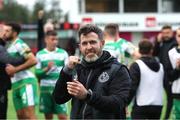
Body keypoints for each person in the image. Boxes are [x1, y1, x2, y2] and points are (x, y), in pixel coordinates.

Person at [53, 24, 131, 119]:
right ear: (80, 46)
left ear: (102, 43)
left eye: (93, 42)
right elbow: (59, 98)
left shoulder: (117, 70)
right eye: (84, 43)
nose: (89, 47)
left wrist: (88, 96)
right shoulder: (77, 68)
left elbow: (118, 103)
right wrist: (66, 70)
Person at [3, 22, 38, 119]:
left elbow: (33, 60)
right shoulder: (9, 46)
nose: (4, 33)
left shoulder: (19, 43)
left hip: (26, 82)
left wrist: (15, 70)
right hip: (15, 85)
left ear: (14, 33)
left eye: (7, 31)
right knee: (21, 116)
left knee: (30, 115)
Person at [35, 30, 68, 120]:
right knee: (48, 116)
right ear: (46, 39)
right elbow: (37, 74)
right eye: (52, 39)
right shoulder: (40, 54)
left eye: (56, 39)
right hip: (45, 89)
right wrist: (47, 69)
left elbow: (69, 71)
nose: (55, 42)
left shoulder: (63, 53)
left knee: (63, 116)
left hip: (59, 88)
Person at [128, 40, 164, 119]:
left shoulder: (136, 65)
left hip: (141, 105)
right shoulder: (161, 66)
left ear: (139, 50)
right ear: (151, 50)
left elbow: (132, 87)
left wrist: (126, 103)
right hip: (158, 104)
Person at [0, 25, 25, 119]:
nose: (6, 33)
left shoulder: (4, 46)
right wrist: (24, 57)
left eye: (7, 31)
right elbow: (9, 59)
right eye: (4, 31)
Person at [153, 25, 177, 119]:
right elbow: (154, 53)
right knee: (168, 98)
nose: (166, 35)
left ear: (172, 33)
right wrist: (157, 42)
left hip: (172, 75)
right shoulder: (161, 43)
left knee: (171, 99)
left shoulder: (174, 44)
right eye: (164, 33)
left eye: (168, 33)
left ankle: (167, 117)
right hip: (163, 75)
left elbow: (168, 62)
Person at [168, 28, 180, 119]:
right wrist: (177, 68)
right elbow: (169, 76)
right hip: (177, 92)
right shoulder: (171, 53)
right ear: (176, 37)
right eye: (179, 36)